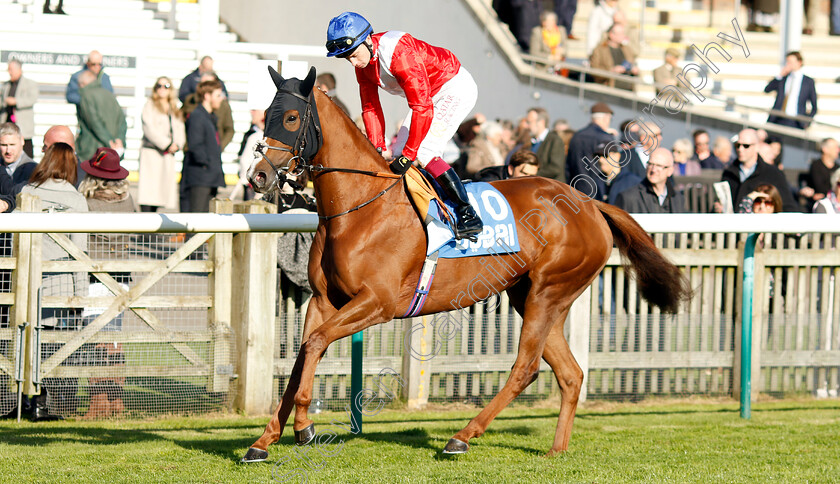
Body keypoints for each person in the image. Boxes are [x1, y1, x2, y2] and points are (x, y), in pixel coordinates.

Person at [326, 11, 483, 239]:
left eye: (352, 54)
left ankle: (467, 212)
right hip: (429, 96)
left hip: (454, 88)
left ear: (368, 39)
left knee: (425, 150)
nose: (352, 62)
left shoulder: (398, 53)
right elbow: (370, 107)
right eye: (345, 58)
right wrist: (377, 148)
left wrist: (409, 156)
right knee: (397, 152)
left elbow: (422, 107)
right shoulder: (362, 62)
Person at [21, 142, 88, 421]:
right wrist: (81, 294)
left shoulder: (26, 192)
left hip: (27, 282)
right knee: (54, 347)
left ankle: (25, 401)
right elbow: (80, 251)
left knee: (27, 340)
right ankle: (45, 405)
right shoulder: (76, 200)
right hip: (61, 284)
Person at [77, 147, 132, 418]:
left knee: (96, 342)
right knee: (115, 342)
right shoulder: (128, 201)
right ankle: (116, 401)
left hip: (95, 278)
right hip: (122, 279)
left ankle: (97, 402)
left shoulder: (85, 203)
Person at [719, 129, 799, 212]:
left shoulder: (773, 173)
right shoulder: (728, 173)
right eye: (737, 145)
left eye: (746, 146)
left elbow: (788, 206)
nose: (740, 149)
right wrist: (717, 208)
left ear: (757, 147)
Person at [138, 77, 185, 212]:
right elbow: (149, 128)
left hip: (167, 156)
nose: (162, 89)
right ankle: (146, 230)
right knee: (149, 192)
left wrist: (177, 144)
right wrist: (166, 144)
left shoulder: (174, 108)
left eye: (166, 86)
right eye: (159, 85)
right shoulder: (150, 105)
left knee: (161, 192)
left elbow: (180, 129)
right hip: (152, 154)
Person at [182, 79, 225, 213]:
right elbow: (195, 146)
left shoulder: (210, 117)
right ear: (207, 96)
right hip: (200, 177)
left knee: (207, 222)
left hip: (210, 177)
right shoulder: (197, 116)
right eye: (218, 95)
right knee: (197, 220)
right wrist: (208, 163)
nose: (221, 99)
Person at [75, 70, 126, 162]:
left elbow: (94, 122)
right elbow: (122, 120)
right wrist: (119, 139)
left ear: (83, 83)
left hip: (91, 150)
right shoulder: (109, 95)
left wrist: (109, 141)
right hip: (111, 151)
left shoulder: (86, 96)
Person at [566, 102, 616, 194]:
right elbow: (610, 168)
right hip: (596, 191)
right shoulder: (605, 137)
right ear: (606, 117)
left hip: (574, 189)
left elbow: (568, 165)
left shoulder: (577, 136)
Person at [615, 147, 684, 213]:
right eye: (650, 164)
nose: (653, 170)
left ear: (670, 171)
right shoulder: (627, 198)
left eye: (659, 166)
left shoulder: (678, 199)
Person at [181, 71, 235, 152]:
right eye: (203, 83)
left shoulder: (223, 105)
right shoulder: (190, 101)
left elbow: (229, 129)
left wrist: (219, 147)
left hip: (213, 150)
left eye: (209, 83)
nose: (205, 87)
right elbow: (180, 122)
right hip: (192, 151)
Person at [764, 51, 817, 129]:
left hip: (797, 121)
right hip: (778, 118)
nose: (788, 64)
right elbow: (767, 90)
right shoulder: (783, 79)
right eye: (788, 62)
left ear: (799, 62)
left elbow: (814, 106)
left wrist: (806, 122)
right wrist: (780, 75)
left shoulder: (808, 81)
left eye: (791, 62)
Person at [1, 59, 39, 158]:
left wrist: (16, 101)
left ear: (19, 70)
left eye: (11, 70)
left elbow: (32, 99)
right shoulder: (5, 85)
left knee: (26, 152)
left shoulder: (29, 84)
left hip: (22, 124)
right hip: (7, 122)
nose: (9, 72)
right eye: (8, 70)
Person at [589, 23, 638, 91]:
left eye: (623, 33)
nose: (623, 36)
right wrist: (612, 71)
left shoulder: (627, 49)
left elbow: (634, 65)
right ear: (611, 35)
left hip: (628, 90)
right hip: (609, 89)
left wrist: (635, 70)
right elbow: (594, 70)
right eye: (620, 33)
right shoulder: (600, 50)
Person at [800, 137, 839, 207]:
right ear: (825, 149)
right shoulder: (816, 166)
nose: (838, 150)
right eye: (835, 148)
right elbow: (820, 187)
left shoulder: (837, 168)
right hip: (820, 203)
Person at [0, 122, 37, 191]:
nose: (8, 150)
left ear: (22, 141)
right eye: (4, 145)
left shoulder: (33, 170)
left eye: (12, 144)